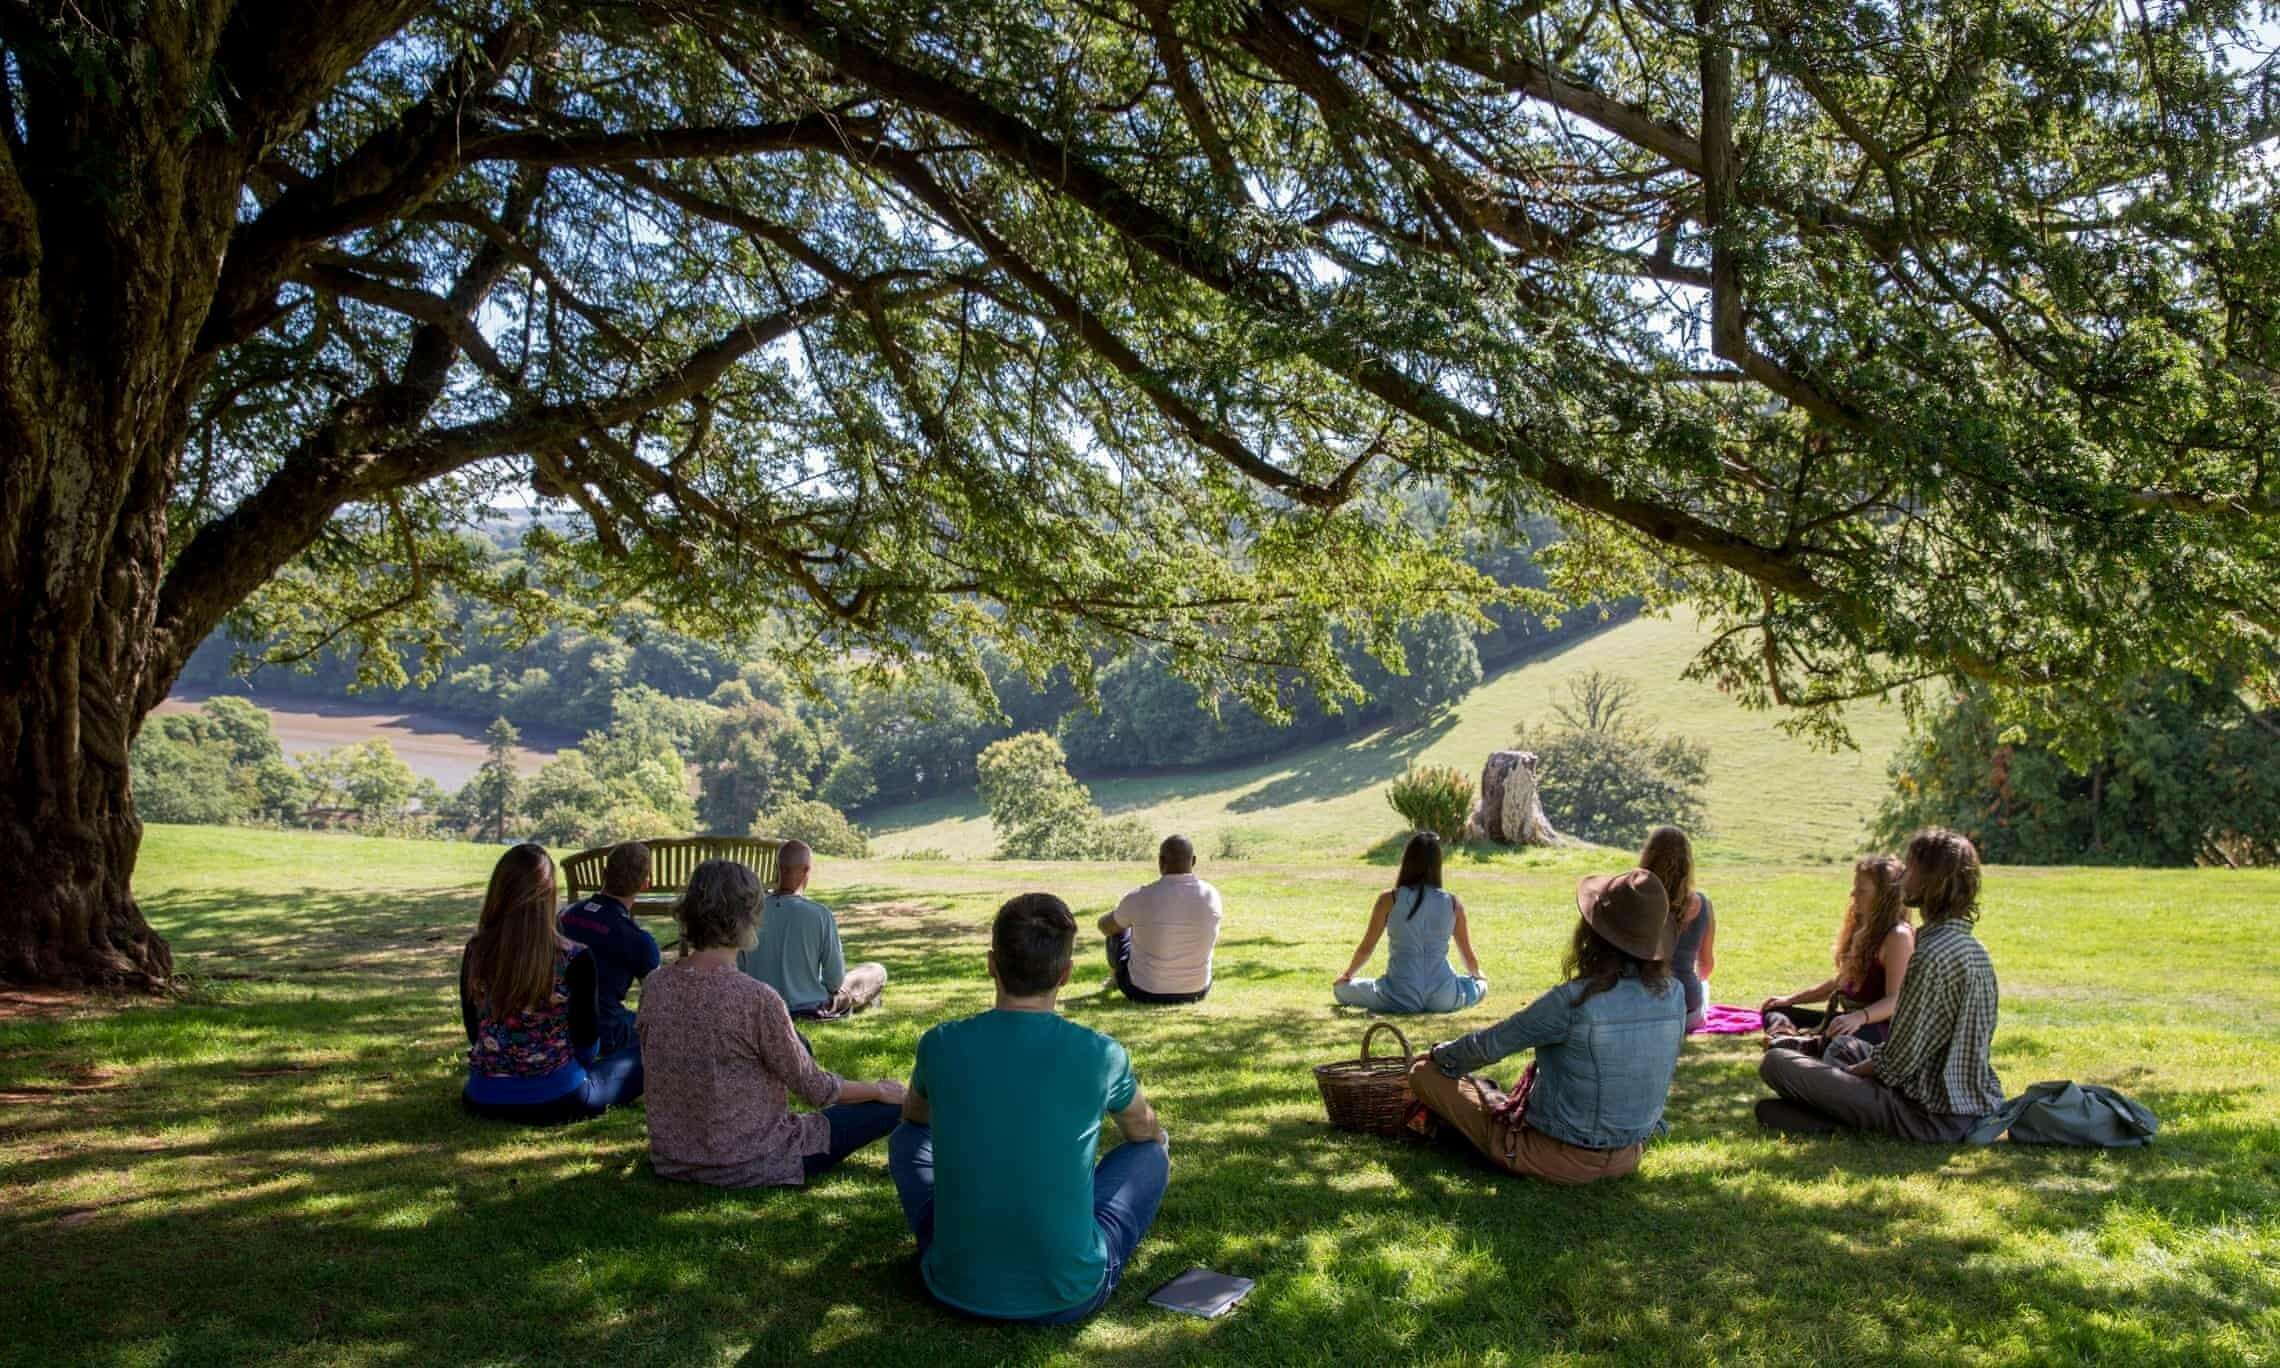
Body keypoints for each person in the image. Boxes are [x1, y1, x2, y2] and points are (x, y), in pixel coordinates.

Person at [889, 892, 1170, 1325]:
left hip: (951, 1282)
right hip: (1068, 1292)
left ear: (991, 963)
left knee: (907, 1139)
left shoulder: (940, 1043)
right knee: (1151, 1153)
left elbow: (914, 1121)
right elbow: (1142, 1132)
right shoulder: (1101, 1054)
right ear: (1066, 974)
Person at [638, 860, 906, 1187]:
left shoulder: (655, 985)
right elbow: (816, 1089)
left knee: (798, 1046)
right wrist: (879, 1090)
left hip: (673, 1158)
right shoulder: (756, 999)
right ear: (750, 915)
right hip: (751, 1160)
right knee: (891, 1106)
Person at [1409, 869, 1684, 1184]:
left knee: (1422, 1072)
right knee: (1490, 1088)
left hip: (1555, 1156)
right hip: (1628, 1154)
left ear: (1593, 935)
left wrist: (1438, 1056)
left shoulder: (1573, 1001)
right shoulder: (1674, 994)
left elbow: (1488, 1046)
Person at [1757, 829, 2003, 1141]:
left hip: (1926, 1111)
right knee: (1844, 1046)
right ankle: (1828, 1109)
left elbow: (1898, 1061)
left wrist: (1844, 1077)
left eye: (1911, 869)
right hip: (1960, 1101)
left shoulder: (1930, 955)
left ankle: (1836, 1115)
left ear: (1931, 881)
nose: (1903, 879)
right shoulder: (1974, 950)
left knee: (1777, 1063)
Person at [459, 843, 644, 1124]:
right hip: (557, 1096)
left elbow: (475, 1030)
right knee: (647, 1054)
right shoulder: (574, 957)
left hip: (483, 1094)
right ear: (549, 895)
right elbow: (586, 1044)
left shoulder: (476, 950)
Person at [1760, 856, 1913, 1047]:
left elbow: (1896, 999)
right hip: (1849, 1022)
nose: (1853, 894)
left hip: (1876, 1030)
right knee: (1775, 1011)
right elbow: (1841, 982)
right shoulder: (1862, 928)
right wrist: (1790, 999)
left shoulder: (1898, 936)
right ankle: (1789, 1040)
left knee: (1842, 1040)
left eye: (1861, 890)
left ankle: (1806, 1045)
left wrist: (1860, 1017)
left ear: (1884, 896)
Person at [1332, 831, 1486, 1014]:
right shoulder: (1453, 903)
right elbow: (1467, 955)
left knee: (1340, 989)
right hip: (1443, 996)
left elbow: (1367, 947)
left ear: (1407, 861)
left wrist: (1348, 974)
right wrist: (1478, 977)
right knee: (1477, 985)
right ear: (1437, 864)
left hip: (1398, 995)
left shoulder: (1388, 899)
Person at [736, 840, 887, 1019]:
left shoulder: (749, 913)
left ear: (779, 867)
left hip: (761, 1006)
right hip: (809, 1007)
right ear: (807, 870)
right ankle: (870, 1000)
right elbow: (835, 982)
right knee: (875, 971)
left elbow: (741, 972)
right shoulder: (820, 914)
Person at [558, 840, 662, 1055]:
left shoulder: (564, 915)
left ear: (603, 874)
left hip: (554, 1022)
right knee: (659, 1032)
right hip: (601, 1029)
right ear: (645, 884)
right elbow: (658, 1001)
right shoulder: (639, 940)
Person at [1096, 834, 1223, 1004]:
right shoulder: (1211, 895)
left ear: (1161, 861)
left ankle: (1115, 979)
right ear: (1193, 861)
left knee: (1117, 928)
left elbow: (1105, 927)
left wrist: (1122, 917)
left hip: (1142, 991)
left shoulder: (1140, 897)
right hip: (1197, 991)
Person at [1640, 826, 1715, 1031]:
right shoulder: (1703, 904)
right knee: (1704, 986)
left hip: (1638, 1007)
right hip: (1685, 1009)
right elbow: (1706, 967)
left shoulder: (1634, 897)